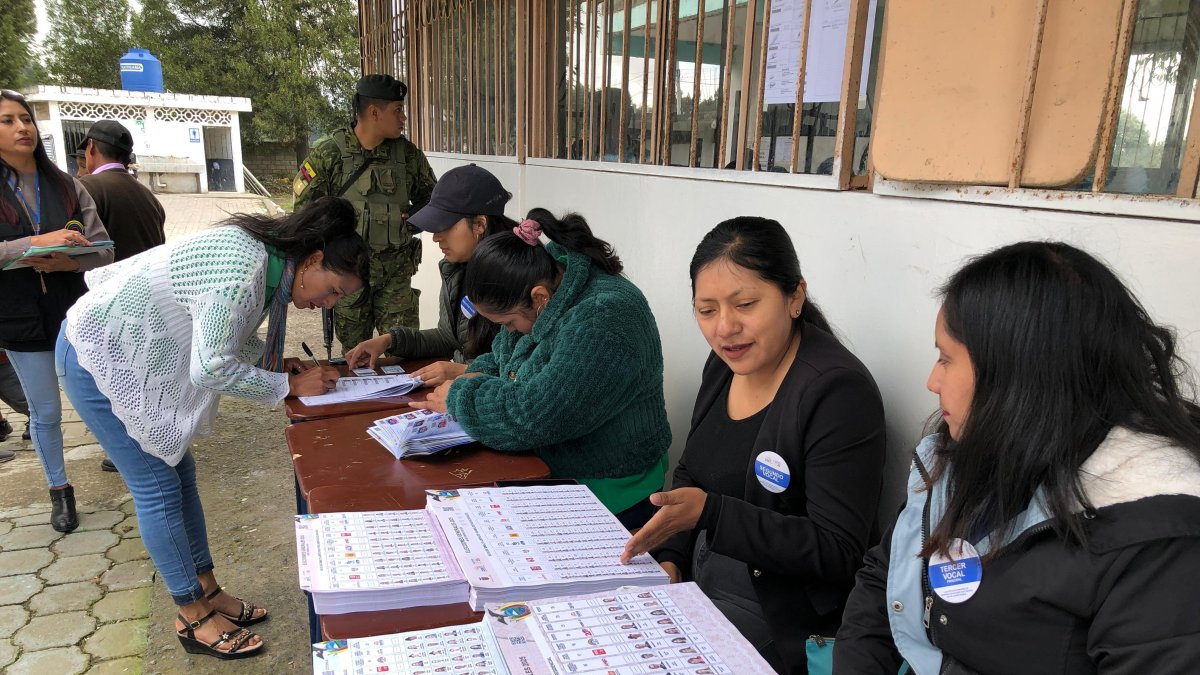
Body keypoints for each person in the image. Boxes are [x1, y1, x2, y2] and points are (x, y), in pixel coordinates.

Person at [834, 241, 1200, 673]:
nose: (933, 382)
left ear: (1019, 377)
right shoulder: (966, 452)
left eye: (946, 359)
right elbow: (886, 575)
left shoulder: (1154, 541)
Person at [56, 196, 368, 659]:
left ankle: (206, 588)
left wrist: (277, 363)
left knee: (181, 476)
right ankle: (191, 613)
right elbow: (211, 367)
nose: (328, 303)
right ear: (314, 259)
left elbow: (224, 333)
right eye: (335, 290)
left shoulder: (269, 263)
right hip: (102, 357)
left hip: (134, 350)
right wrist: (286, 384)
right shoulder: (246, 268)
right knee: (157, 486)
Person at [619, 217, 887, 674]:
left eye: (745, 304)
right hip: (701, 580)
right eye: (706, 310)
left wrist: (714, 514)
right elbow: (691, 473)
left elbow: (840, 550)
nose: (725, 328)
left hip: (778, 612)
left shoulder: (837, 392)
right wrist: (671, 558)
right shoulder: (726, 364)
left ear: (795, 297)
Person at [411, 209, 671, 529]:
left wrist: (461, 396)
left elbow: (537, 416)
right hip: (554, 463)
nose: (511, 330)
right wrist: (475, 373)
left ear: (539, 299)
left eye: (508, 322)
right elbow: (505, 357)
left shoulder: (604, 315)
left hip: (611, 486)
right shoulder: (548, 280)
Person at [0, 89, 114, 532]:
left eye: (25, 118)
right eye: (7, 121)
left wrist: (71, 259)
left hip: (76, 313)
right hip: (22, 318)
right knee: (44, 412)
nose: (21, 127)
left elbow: (105, 250)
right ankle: (59, 491)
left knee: (103, 397)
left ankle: (128, 458)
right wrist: (34, 243)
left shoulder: (69, 185)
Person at [293, 73, 437, 352]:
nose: (403, 118)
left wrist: (412, 220)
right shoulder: (330, 154)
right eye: (397, 111)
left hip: (396, 274)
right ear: (374, 112)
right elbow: (304, 213)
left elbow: (433, 200)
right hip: (345, 278)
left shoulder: (408, 156)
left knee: (402, 350)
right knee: (354, 353)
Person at [345, 164, 513, 385]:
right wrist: (388, 341)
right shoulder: (456, 267)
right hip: (464, 392)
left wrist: (461, 371)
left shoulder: (516, 274)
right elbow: (447, 338)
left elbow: (522, 371)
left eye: (445, 226)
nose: (436, 237)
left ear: (480, 224)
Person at [77, 119, 167, 472]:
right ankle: (146, 438)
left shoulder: (86, 188)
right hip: (149, 300)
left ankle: (130, 448)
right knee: (139, 376)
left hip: (108, 304)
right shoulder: (146, 193)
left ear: (92, 149)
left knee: (115, 380)